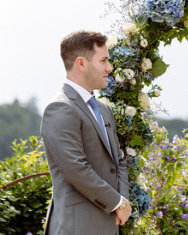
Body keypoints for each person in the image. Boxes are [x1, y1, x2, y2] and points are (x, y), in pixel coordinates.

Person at [41, 30, 131, 235]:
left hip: (109, 225)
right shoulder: (60, 108)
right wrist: (116, 202)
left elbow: (119, 161)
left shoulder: (104, 110)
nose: (109, 68)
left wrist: (123, 202)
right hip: (76, 227)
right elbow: (76, 169)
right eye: (104, 61)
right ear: (81, 64)